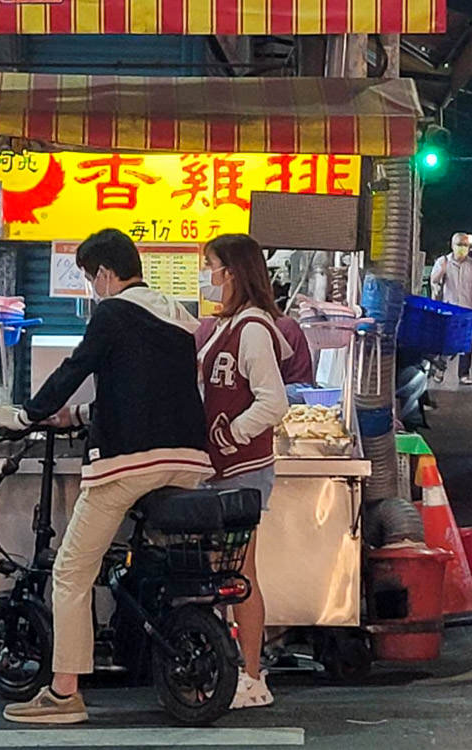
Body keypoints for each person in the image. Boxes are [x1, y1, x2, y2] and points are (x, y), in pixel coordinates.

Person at [0, 229, 212, 724]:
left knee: (71, 572)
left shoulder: (112, 311)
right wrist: (78, 416)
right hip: (187, 458)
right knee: (158, 562)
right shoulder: (178, 316)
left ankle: (64, 692)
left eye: (93, 279)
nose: (94, 289)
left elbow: (76, 367)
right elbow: (145, 389)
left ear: (107, 274)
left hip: (129, 461)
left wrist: (29, 415)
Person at [194, 234, 289, 709]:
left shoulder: (251, 328)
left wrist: (232, 432)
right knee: (223, 574)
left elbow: (274, 401)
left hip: (243, 469)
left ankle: (253, 676)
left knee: (239, 574)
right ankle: (233, 669)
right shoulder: (221, 326)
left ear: (231, 272)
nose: (205, 275)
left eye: (209, 265)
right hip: (222, 468)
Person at [430, 232, 472, 385]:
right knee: (446, 342)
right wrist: (442, 269)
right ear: (452, 245)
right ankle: (440, 370)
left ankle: (464, 374)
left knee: (467, 343)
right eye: (459, 244)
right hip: (449, 308)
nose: (462, 248)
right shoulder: (443, 261)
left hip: (468, 308)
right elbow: (434, 281)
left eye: (465, 245)